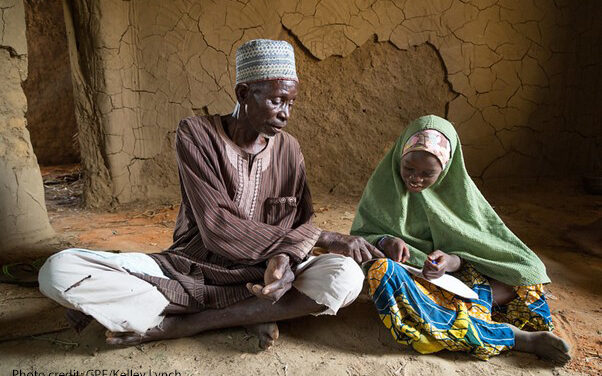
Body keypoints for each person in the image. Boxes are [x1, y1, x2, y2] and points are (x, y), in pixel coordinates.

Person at [38, 39, 383, 348]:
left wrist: (285, 261)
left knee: (346, 278)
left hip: (264, 276)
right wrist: (320, 238)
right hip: (189, 270)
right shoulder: (196, 134)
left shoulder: (289, 148)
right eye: (278, 101)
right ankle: (251, 313)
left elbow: (301, 223)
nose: (285, 114)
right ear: (244, 94)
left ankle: (189, 323)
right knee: (58, 269)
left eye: (291, 103)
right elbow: (217, 226)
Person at [350, 115, 571, 363]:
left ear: (446, 171)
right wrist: (384, 240)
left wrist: (450, 261)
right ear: (398, 157)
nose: (415, 178)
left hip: (460, 283)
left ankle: (455, 316)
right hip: (417, 286)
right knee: (381, 271)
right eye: (408, 168)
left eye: (428, 173)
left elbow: (480, 247)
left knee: (528, 273)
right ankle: (514, 337)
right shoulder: (384, 187)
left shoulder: (461, 198)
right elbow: (360, 237)